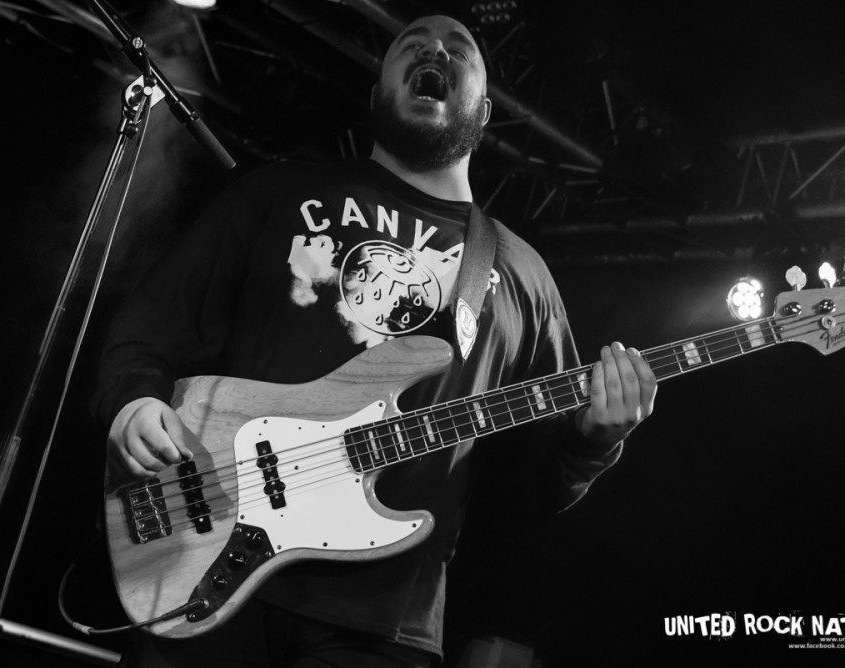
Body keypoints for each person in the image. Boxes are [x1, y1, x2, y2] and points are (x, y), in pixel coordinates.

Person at [94, 14, 657, 668]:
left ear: (484, 110)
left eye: (460, 50)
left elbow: (528, 489)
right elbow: (157, 320)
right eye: (411, 44)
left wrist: (592, 442)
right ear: (375, 94)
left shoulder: (523, 276)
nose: (434, 49)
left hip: (383, 624)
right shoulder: (280, 191)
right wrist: (133, 402)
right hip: (206, 562)